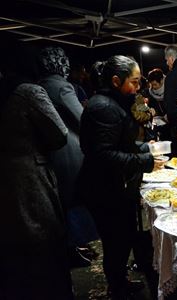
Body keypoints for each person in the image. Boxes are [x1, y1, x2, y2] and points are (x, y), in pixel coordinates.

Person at [77, 55, 155, 300]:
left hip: (114, 186)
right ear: (115, 80)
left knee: (122, 239)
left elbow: (120, 142)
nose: (138, 86)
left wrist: (142, 148)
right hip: (104, 189)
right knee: (115, 242)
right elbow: (103, 155)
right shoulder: (104, 107)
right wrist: (145, 160)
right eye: (133, 81)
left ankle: (119, 282)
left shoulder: (115, 101)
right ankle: (118, 289)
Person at [0, 49, 73, 299]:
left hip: (6, 181)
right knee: (45, 245)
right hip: (30, 179)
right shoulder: (28, 91)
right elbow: (59, 133)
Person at [38, 46, 98, 267]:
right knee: (74, 200)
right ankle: (76, 246)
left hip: (52, 151)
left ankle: (74, 247)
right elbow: (83, 119)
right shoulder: (62, 86)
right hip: (70, 150)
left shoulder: (41, 85)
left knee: (62, 202)